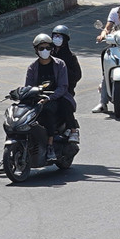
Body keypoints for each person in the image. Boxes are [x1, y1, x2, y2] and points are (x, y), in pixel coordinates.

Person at [25, 33, 80, 161]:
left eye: (48, 48)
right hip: (38, 99)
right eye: (41, 48)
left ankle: (50, 146)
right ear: (36, 50)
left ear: (52, 49)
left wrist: (49, 98)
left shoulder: (60, 64)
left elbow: (63, 86)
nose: (45, 51)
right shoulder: (32, 67)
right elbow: (28, 86)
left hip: (56, 97)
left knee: (48, 110)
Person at [50, 24, 82, 96]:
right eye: (55, 36)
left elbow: (77, 75)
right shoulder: (49, 54)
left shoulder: (71, 57)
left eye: (59, 36)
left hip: (66, 91)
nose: (57, 38)